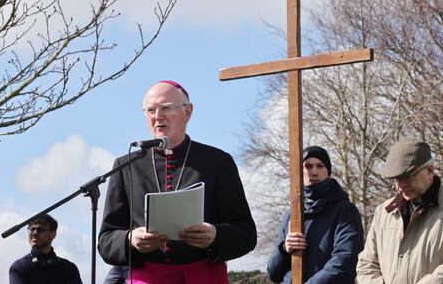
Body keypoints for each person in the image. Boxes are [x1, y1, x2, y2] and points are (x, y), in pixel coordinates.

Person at [98, 80, 257, 283]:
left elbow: (246, 234)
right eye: (150, 110)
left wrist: (216, 235)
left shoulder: (218, 162)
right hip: (147, 277)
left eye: (165, 108)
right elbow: (106, 241)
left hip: (204, 276)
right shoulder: (126, 166)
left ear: (188, 112)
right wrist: (130, 239)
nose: (157, 116)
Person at [267, 146, 364, 283]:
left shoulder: (345, 211)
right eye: (308, 166)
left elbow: (345, 262)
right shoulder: (291, 215)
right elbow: (273, 274)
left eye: (320, 166)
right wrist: (284, 249)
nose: (314, 172)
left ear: (328, 171)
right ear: (300, 171)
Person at [357, 139, 442, 284]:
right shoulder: (384, 212)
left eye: (408, 177)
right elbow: (367, 265)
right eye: (396, 179)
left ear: (429, 171)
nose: (400, 186)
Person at [9, 214, 82, 284]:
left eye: (40, 229)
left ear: (53, 234)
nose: (34, 233)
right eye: (32, 229)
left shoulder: (69, 268)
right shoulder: (19, 267)